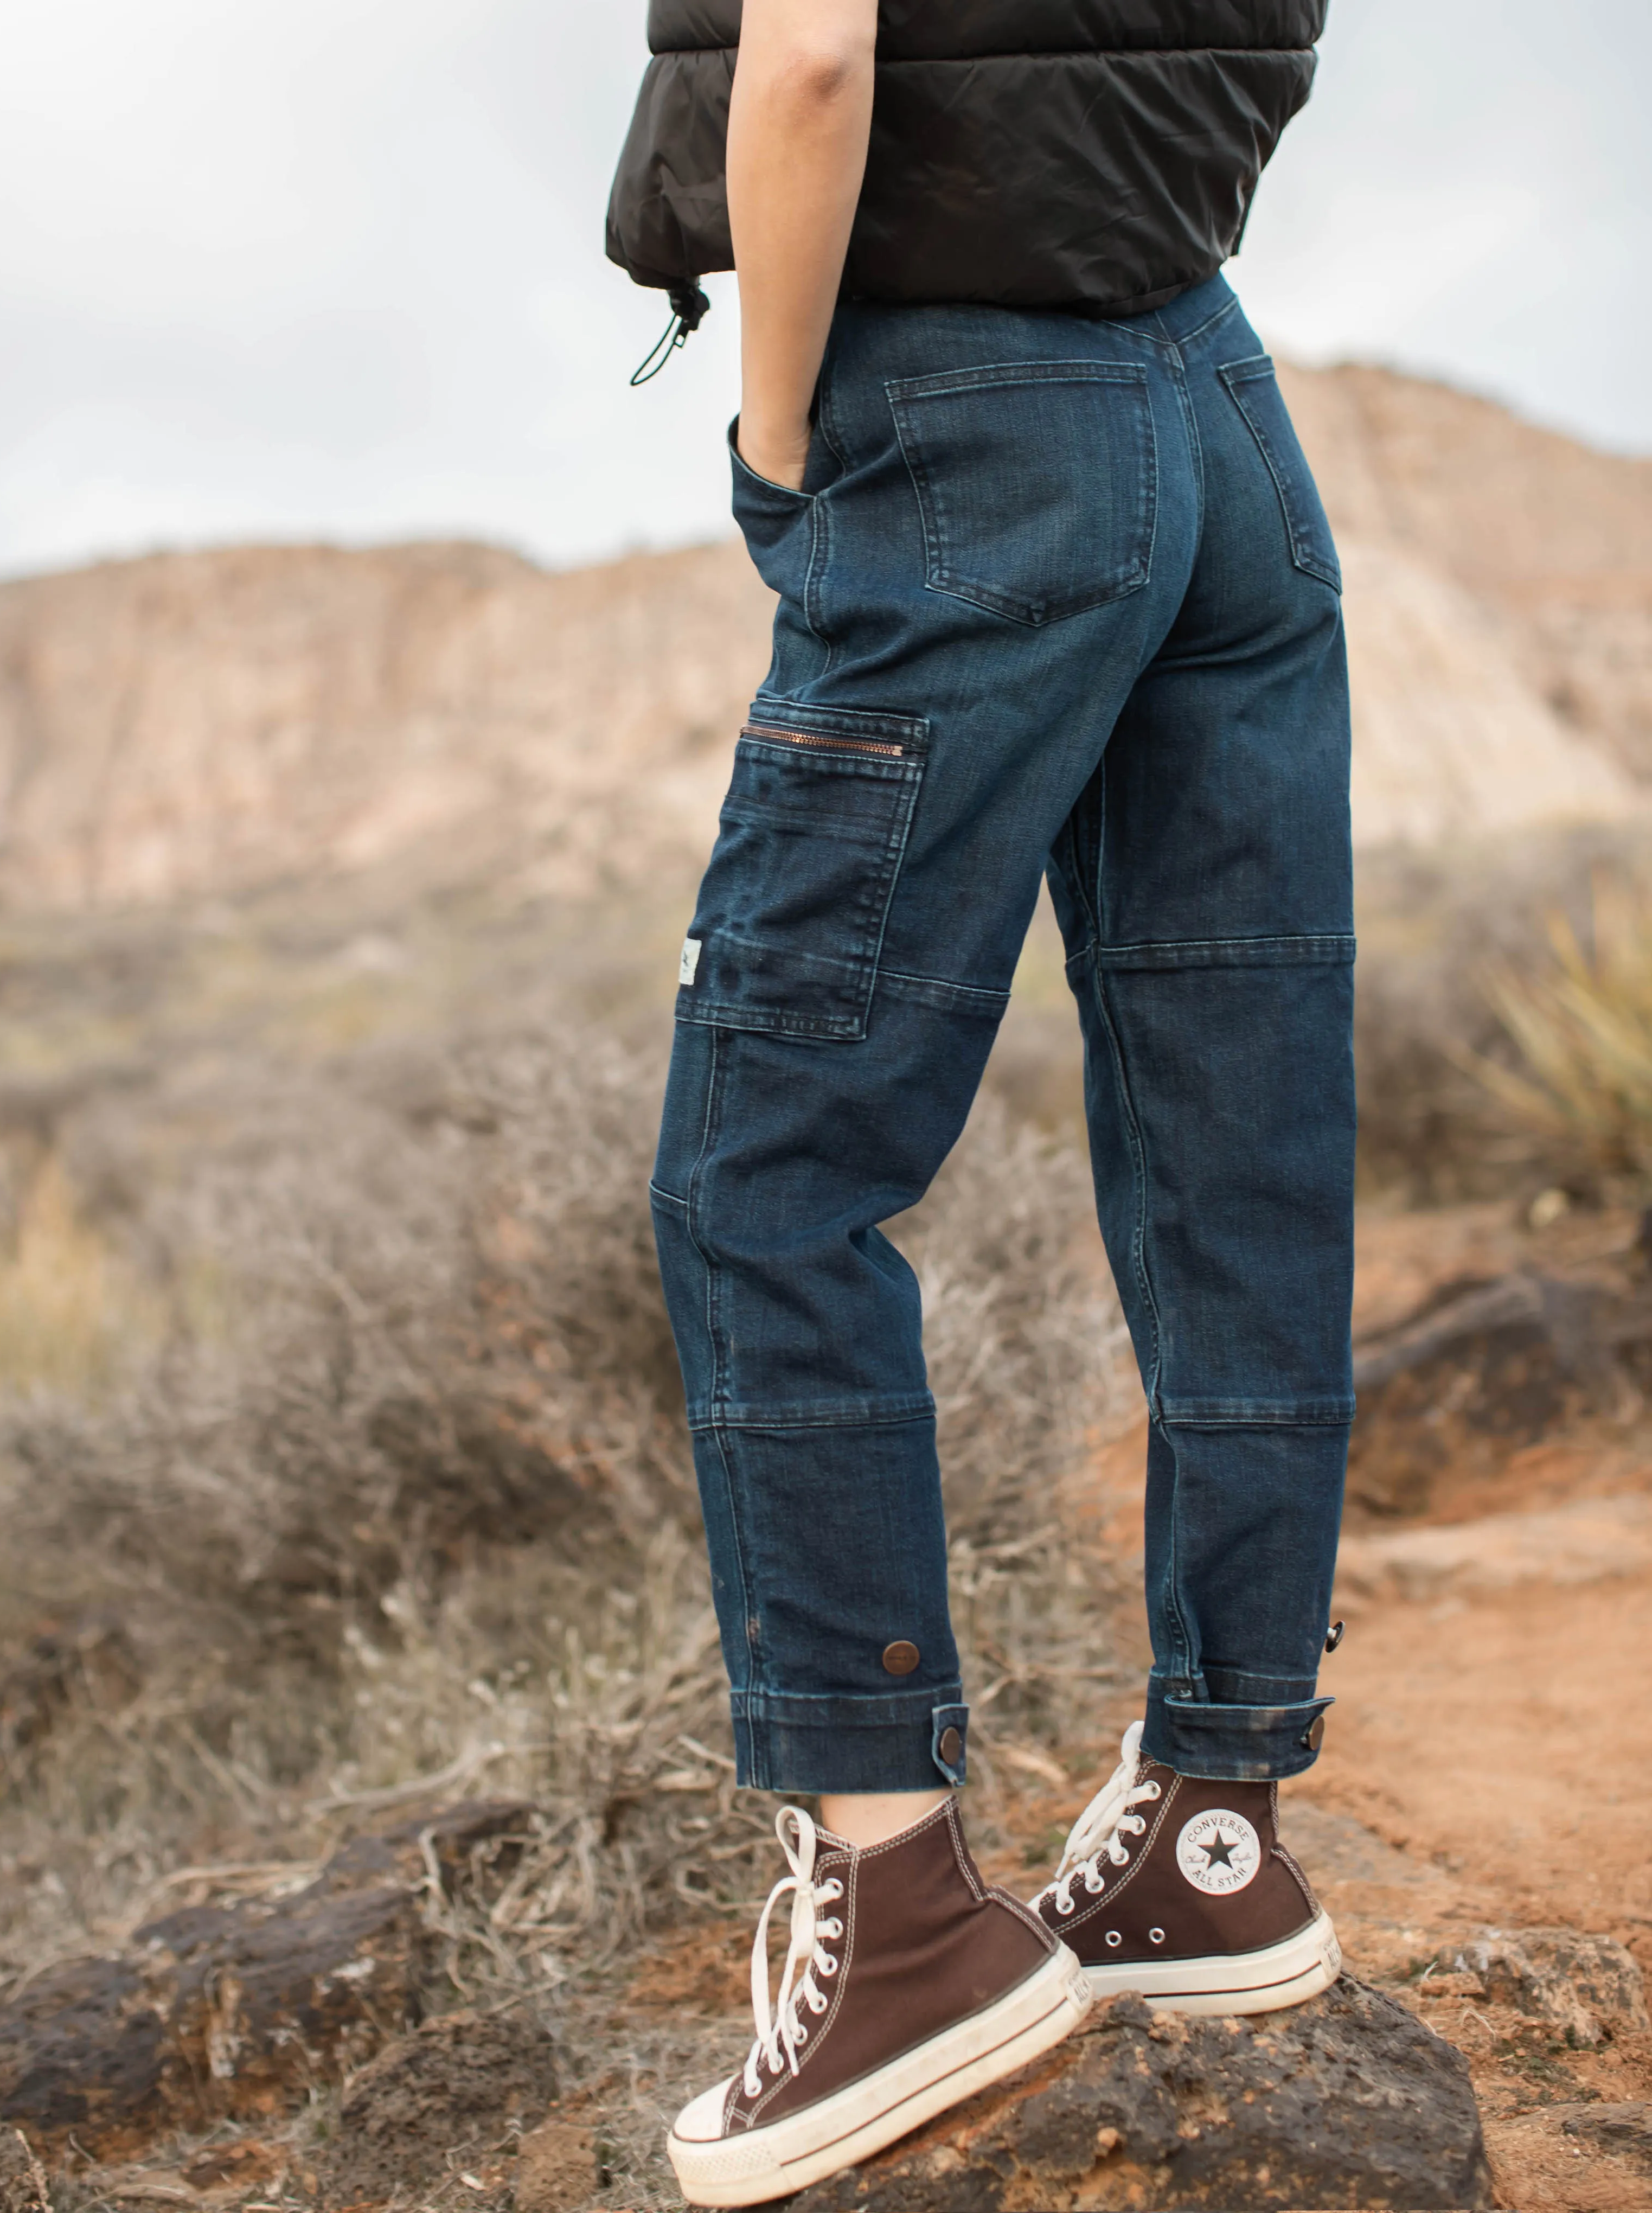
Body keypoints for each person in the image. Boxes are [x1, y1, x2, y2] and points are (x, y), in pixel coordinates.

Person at [606, 2, 1351, 2201]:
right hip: (1217, 414)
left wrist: (771, 436)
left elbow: (814, 54)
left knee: (769, 1172)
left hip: (967, 408)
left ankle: (907, 1923)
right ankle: (1216, 1830)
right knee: (1243, 1156)